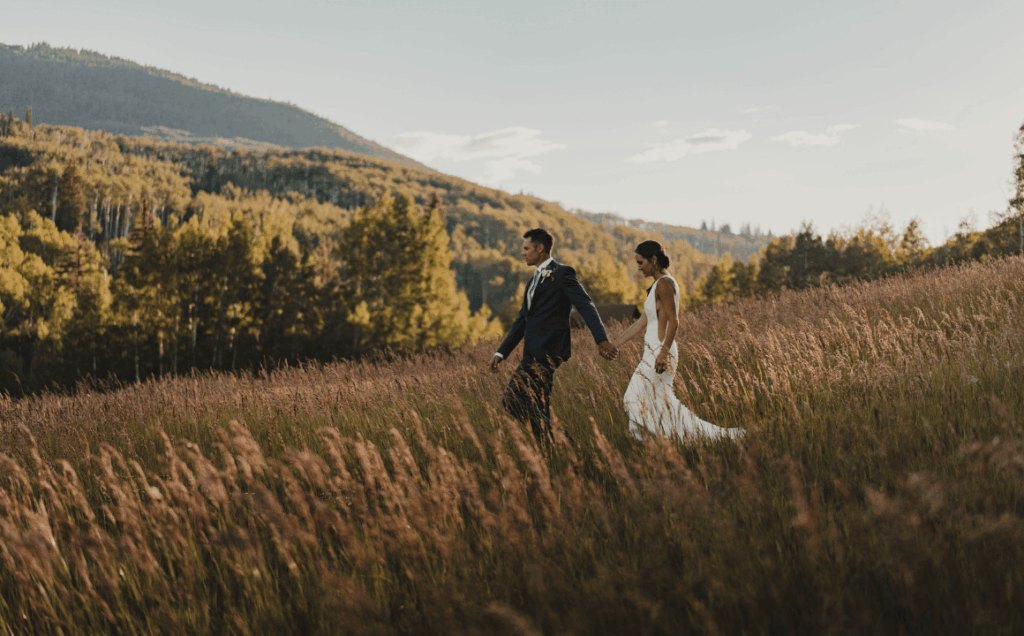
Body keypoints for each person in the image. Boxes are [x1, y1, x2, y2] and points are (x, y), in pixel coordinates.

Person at [490, 228, 618, 442]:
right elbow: (521, 321)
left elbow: (585, 305)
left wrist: (601, 339)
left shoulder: (562, 273)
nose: (523, 253)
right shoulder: (532, 281)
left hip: (548, 353)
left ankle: (566, 442)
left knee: (511, 399)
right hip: (531, 353)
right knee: (539, 407)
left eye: (526, 248)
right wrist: (501, 353)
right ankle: (554, 449)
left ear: (540, 248)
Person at [610, 240, 745, 442]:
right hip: (653, 351)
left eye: (641, 263)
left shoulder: (665, 284)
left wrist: (663, 353)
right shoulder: (657, 285)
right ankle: (656, 443)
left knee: (634, 399)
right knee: (652, 402)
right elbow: (640, 323)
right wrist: (614, 344)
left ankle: (687, 438)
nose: (638, 268)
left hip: (660, 351)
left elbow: (674, 320)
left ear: (653, 259)